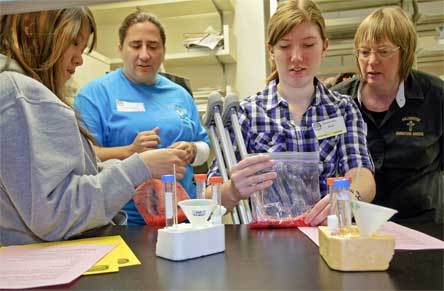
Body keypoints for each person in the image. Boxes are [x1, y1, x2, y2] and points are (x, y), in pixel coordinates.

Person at [0, 7, 187, 246]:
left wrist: (125, 168)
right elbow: (55, 214)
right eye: (74, 43)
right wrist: (139, 167)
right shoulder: (20, 95)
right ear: (29, 24)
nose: (79, 58)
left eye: (82, 48)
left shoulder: (19, 92)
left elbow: (62, 182)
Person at [208, 0, 376, 226]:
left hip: (328, 241)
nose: (296, 57)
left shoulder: (344, 109)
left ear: (324, 46)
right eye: (285, 46)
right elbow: (208, 198)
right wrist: (232, 190)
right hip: (263, 250)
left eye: (308, 45)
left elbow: (361, 174)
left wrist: (350, 198)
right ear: (271, 50)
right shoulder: (245, 114)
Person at [74, 11, 210, 225]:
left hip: (183, 218)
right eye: (136, 45)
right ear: (120, 49)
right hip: (124, 222)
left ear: (164, 51)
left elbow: (205, 148)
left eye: (153, 46)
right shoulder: (94, 95)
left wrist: (193, 150)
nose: (145, 55)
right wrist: (130, 152)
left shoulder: (180, 94)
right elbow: (84, 159)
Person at [332, 7, 444, 222]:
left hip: (424, 226)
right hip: (356, 227)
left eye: (383, 52)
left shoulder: (436, 97)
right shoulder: (337, 102)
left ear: (405, 53)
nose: (372, 61)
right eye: (364, 52)